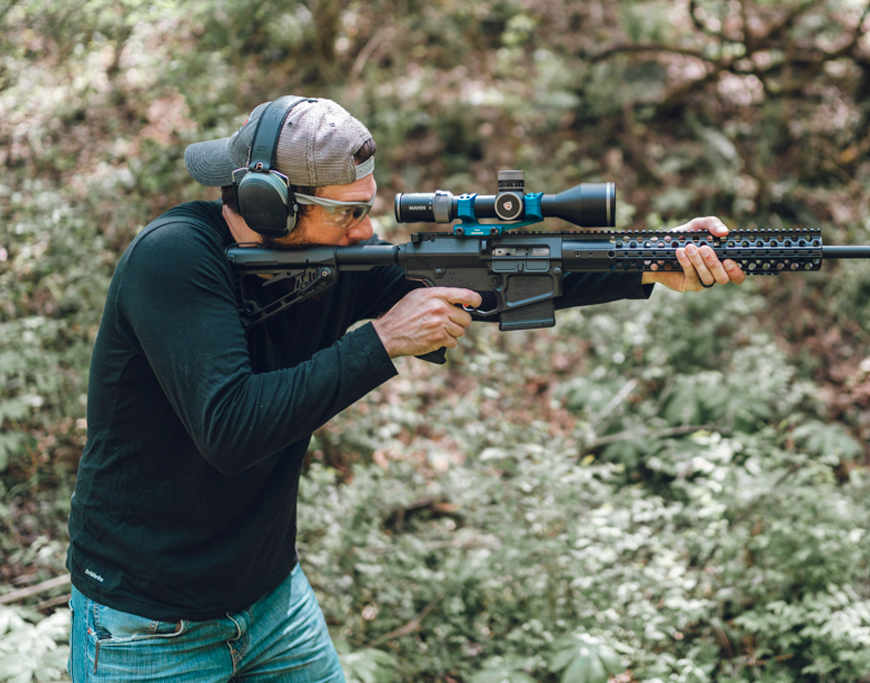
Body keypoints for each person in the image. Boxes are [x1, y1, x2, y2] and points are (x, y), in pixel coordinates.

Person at [65, 95, 746, 682]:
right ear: (269, 206)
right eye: (348, 214)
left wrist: (647, 262)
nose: (367, 231)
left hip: (267, 594)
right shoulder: (174, 260)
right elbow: (231, 427)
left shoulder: (327, 252)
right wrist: (382, 340)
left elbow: (485, 284)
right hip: (150, 620)